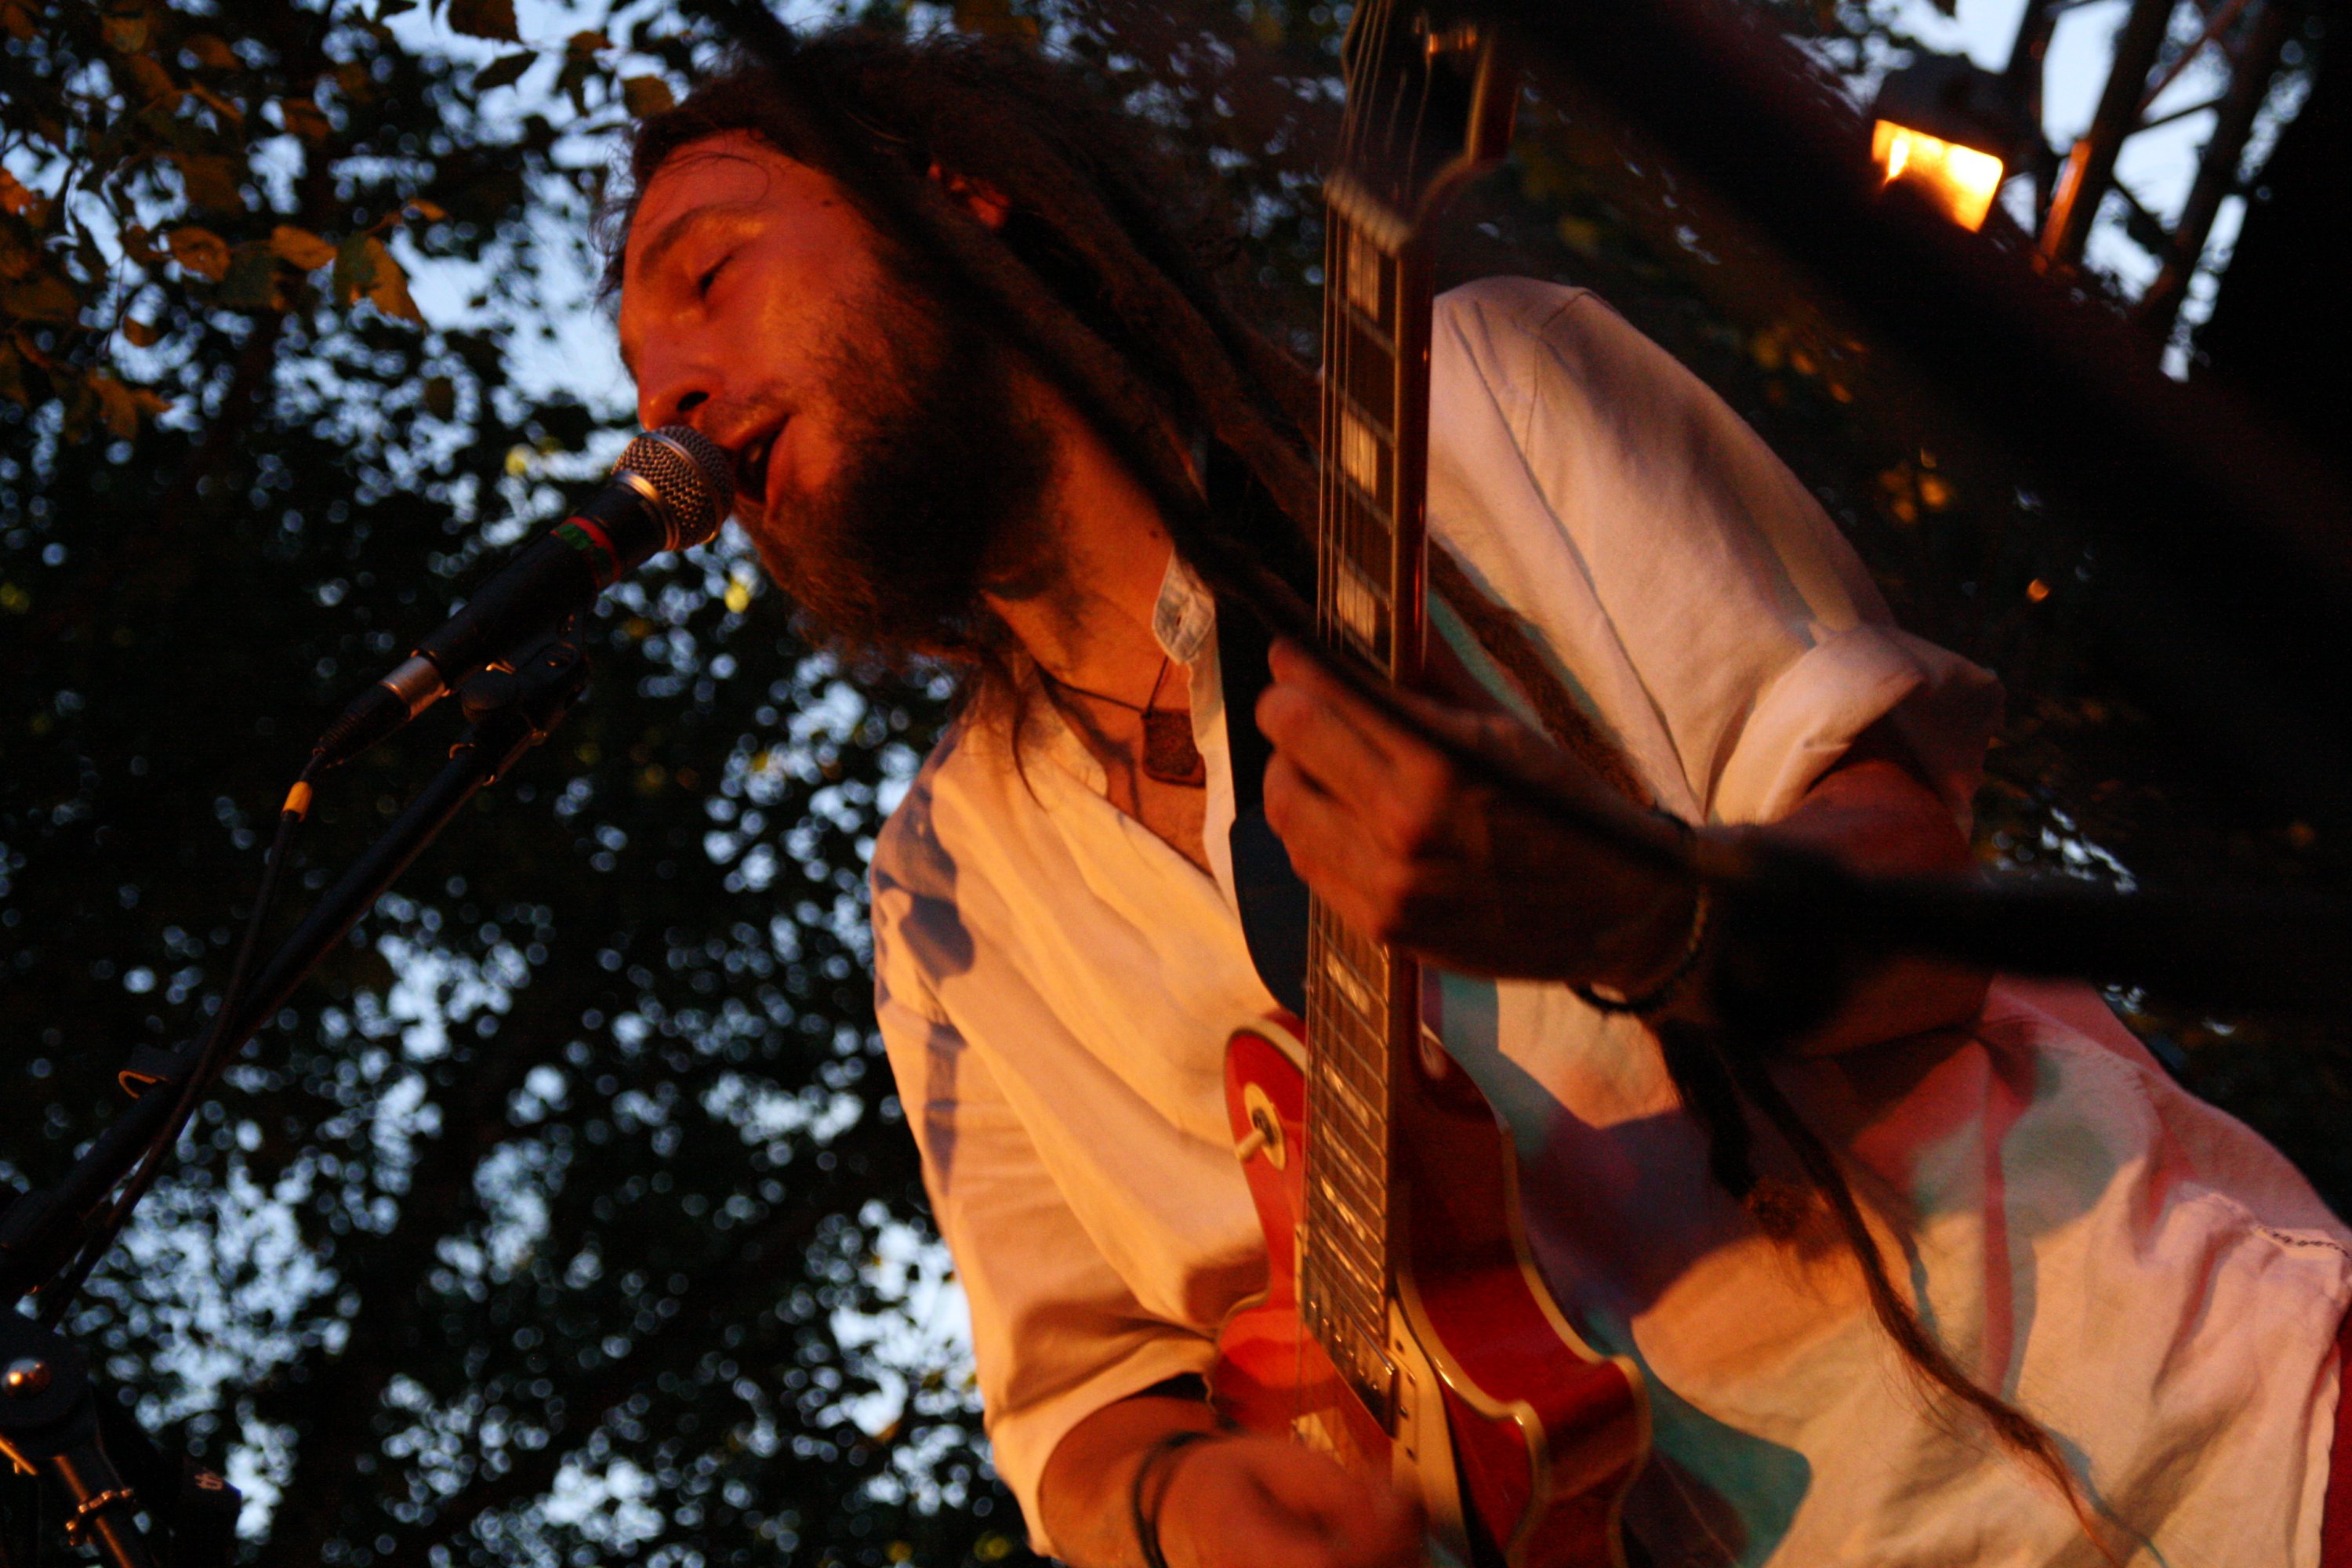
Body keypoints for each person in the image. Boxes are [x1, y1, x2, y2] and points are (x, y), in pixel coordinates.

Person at [610, 28, 2352, 1568]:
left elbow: (1929, 914)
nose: (666, 398)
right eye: (636, 376)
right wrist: (1188, 1509)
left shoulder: (1483, 404)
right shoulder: (945, 895)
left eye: (711, 269)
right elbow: (1083, 1414)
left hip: (2193, 1439)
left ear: (956, 197)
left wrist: (1635, 911)